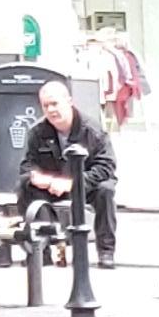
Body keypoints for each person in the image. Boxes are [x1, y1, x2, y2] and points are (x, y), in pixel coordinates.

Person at [16, 77, 117, 260]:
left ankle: (106, 251)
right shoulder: (38, 132)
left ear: (69, 102)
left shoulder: (92, 131)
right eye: (46, 106)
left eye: (55, 103)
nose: (51, 110)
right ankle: (40, 249)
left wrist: (74, 183)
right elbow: (27, 165)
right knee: (24, 186)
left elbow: (106, 166)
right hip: (52, 185)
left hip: (85, 185)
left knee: (106, 190)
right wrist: (39, 178)